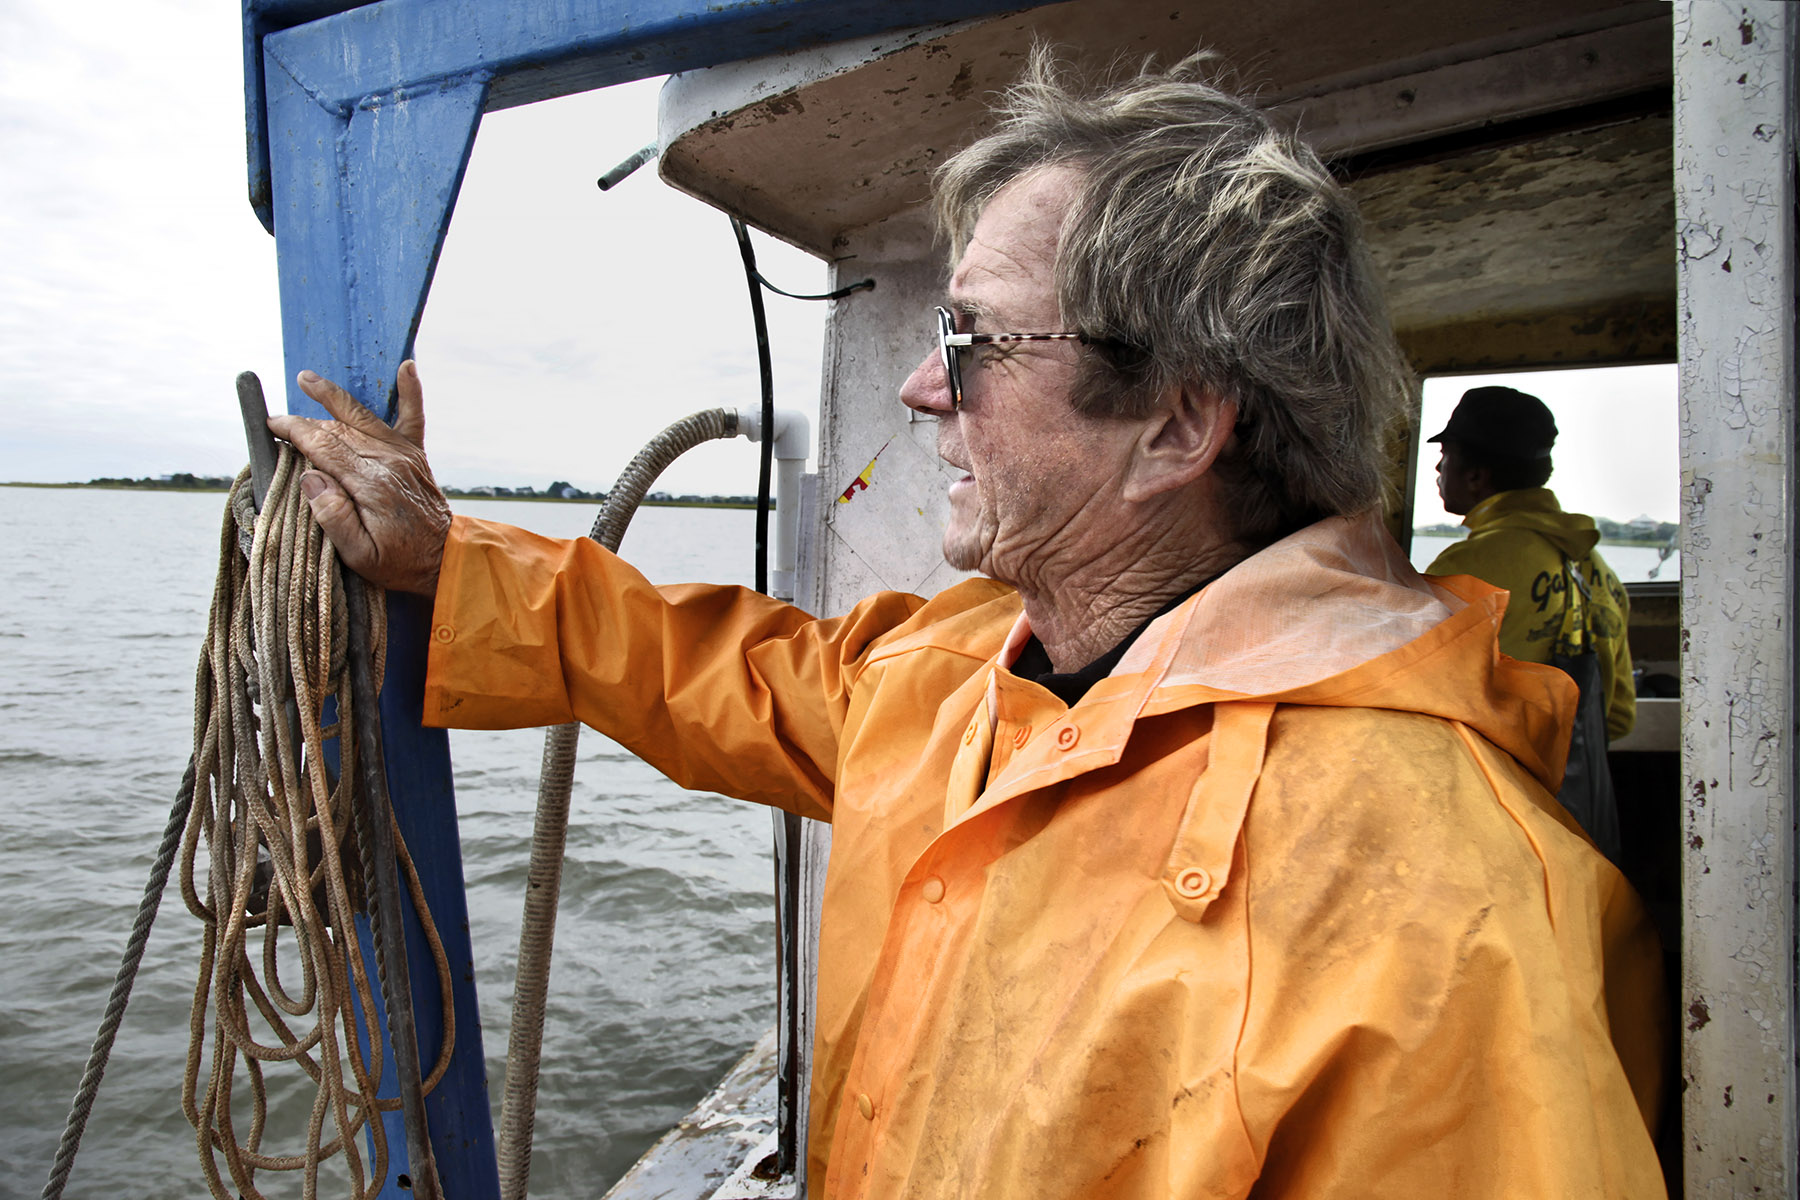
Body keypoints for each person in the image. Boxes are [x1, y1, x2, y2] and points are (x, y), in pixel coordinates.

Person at [272, 50, 1667, 1200]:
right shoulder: (958, 675)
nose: (923, 397)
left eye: (974, 346)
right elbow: (727, 673)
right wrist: (448, 567)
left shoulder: (1452, 910)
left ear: (1176, 422)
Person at [1426, 386, 1636, 740]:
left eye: (1445, 454)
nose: (1438, 466)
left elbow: (1416, 687)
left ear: (1476, 475)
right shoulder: (1600, 572)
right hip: (1568, 790)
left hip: (1488, 781)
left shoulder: (1465, 566)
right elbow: (1618, 718)